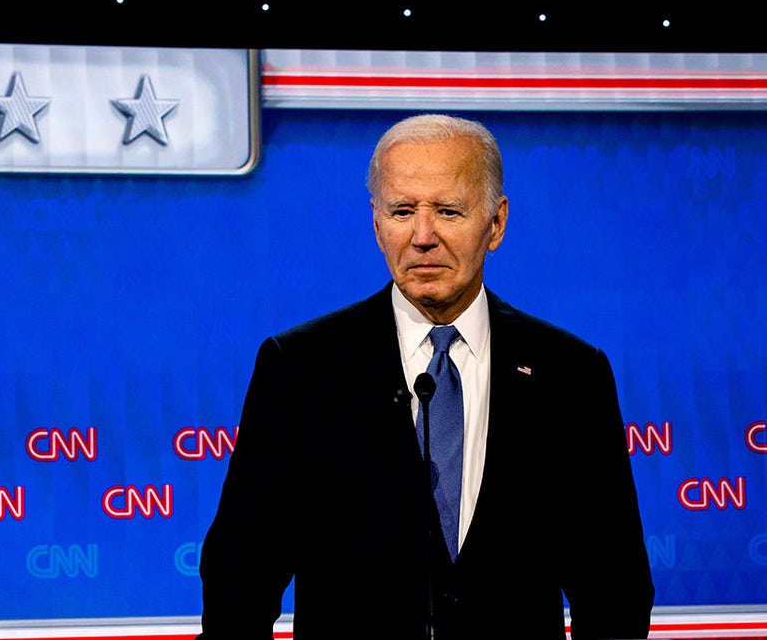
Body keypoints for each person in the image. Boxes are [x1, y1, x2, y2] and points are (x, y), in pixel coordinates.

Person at [197, 114, 654, 639]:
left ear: (496, 224)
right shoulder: (301, 367)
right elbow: (240, 577)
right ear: (376, 223)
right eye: (402, 210)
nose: (422, 236)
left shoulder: (570, 373)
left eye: (448, 210)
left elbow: (615, 586)